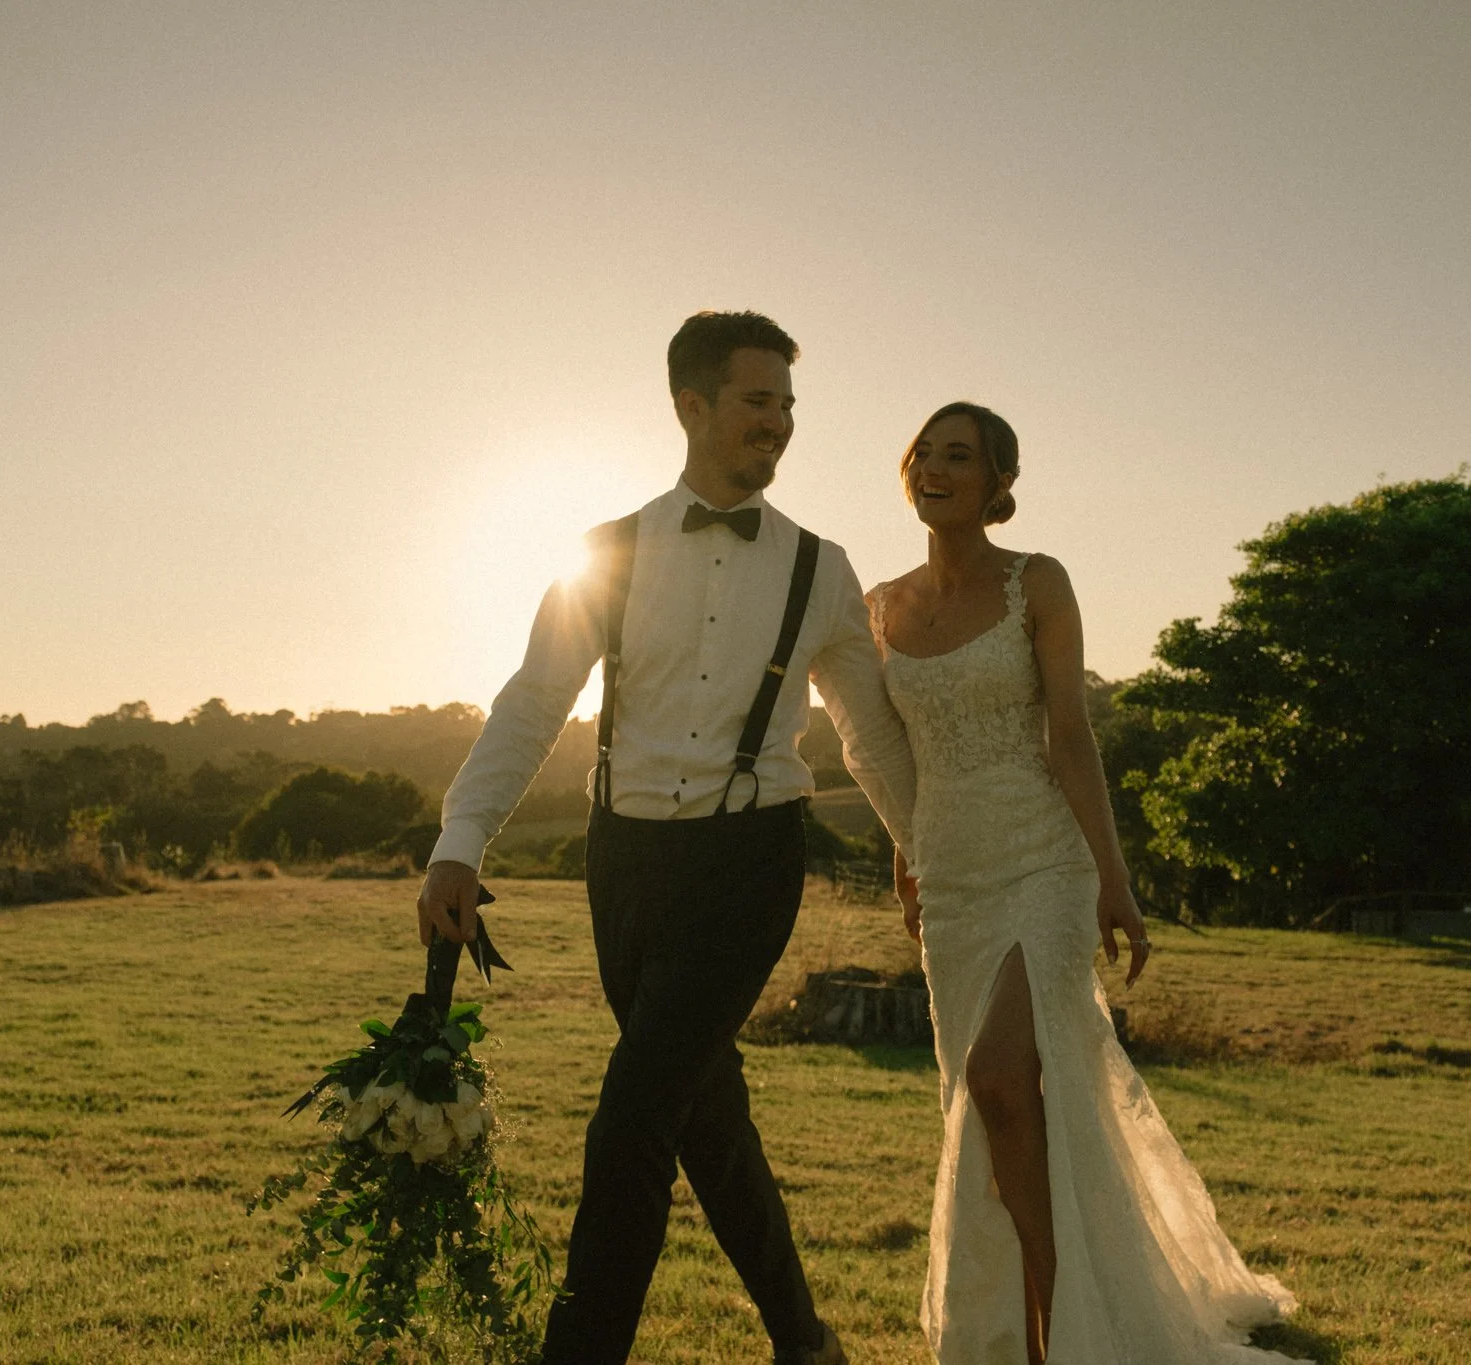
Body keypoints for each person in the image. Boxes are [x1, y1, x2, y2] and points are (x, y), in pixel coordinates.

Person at [416, 311, 916, 1365]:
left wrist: (921, 847)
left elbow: (868, 733)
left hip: (749, 864)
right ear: (690, 406)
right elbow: (531, 701)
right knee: (701, 1112)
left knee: (634, 1116)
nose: (776, 422)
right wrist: (460, 840)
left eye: (786, 404)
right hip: (625, 863)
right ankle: (804, 1340)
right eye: (755, 400)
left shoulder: (819, 568)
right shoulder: (603, 553)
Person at [872, 402, 1304, 1364]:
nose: (936, 469)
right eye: (925, 454)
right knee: (996, 1107)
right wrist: (906, 862)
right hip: (950, 875)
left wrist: (1114, 876)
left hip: (1044, 860)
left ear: (997, 484)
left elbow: (1070, 735)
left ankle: (1058, 1324)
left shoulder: (1039, 583)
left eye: (960, 456)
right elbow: (897, 756)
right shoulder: (880, 607)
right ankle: (1031, 1312)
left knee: (1004, 1074)